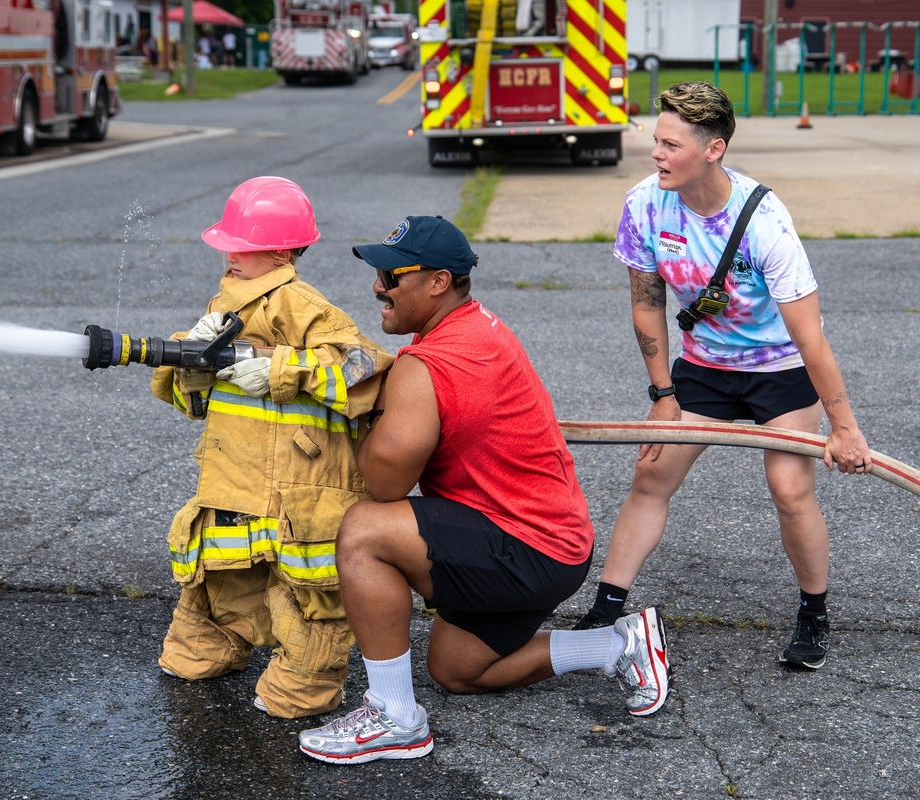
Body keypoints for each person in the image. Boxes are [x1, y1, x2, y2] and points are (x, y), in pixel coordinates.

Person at [297, 216, 673, 765]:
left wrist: (361, 411)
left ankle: (394, 717)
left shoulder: (428, 364)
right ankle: (618, 646)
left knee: (364, 532)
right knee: (458, 670)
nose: (377, 286)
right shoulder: (477, 326)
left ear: (438, 282)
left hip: (527, 546)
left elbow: (383, 484)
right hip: (558, 544)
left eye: (390, 275)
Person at [572, 81, 870, 672]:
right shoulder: (644, 204)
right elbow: (646, 302)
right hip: (703, 369)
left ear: (713, 149)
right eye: (655, 141)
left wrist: (845, 427)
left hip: (778, 372)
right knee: (651, 473)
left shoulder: (765, 223)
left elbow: (810, 338)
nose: (656, 153)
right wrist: (662, 394)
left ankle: (814, 612)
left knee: (790, 490)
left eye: (670, 144)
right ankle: (607, 607)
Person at [152, 177, 394, 719]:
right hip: (235, 478)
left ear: (282, 251)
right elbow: (192, 406)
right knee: (219, 578)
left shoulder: (307, 307)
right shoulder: (227, 302)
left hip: (298, 489)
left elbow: (367, 369)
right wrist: (191, 356)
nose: (229, 255)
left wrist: (282, 369)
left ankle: (305, 685)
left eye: (242, 246)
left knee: (307, 598)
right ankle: (210, 649)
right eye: (228, 245)